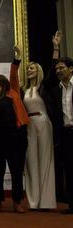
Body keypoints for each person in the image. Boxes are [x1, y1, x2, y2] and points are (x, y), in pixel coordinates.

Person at [0, 46, 30, 213]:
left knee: (17, 172)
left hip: (15, 141)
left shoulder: (13, 94)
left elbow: (13, 76)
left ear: (4, 85)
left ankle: (17, 202)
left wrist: (16, 59)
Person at [18, 33, 60, 210]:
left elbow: (53, 69)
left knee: (45, 160)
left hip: (43, 122)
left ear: (39, 71)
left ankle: (46, 201)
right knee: (31, 161)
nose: (29, 71)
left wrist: (55, 47)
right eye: (28, 69)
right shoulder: (24, 90)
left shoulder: (45, 86)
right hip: (29, 125)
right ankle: (34, 202)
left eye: (32, 69)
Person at [49, 36, 73, 214]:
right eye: (57, 68)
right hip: (65, 134)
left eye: (62, 68)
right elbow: (49, 73)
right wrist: (55, 49)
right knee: (69, 170)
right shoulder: (56, 89)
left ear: (71, 69)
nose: (58, 71)